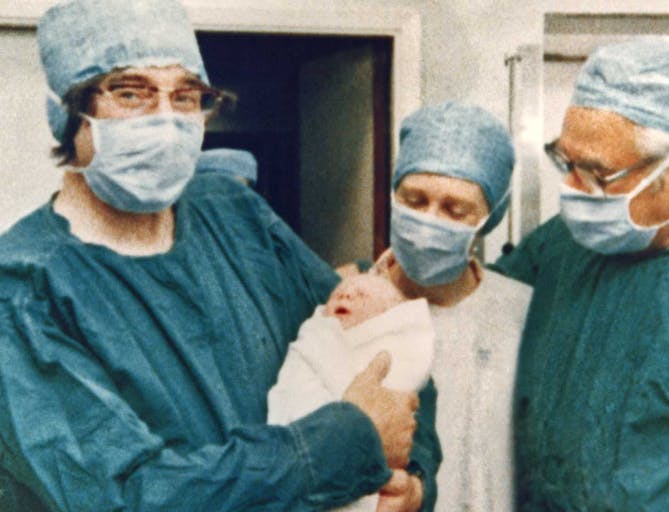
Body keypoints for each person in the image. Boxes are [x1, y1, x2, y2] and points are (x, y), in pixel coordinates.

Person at [0, 1, 438, 510]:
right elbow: (127, 495)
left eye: (186, 96)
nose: (165, 120)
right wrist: (345, 445)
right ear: (67, 112)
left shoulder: (236, 216)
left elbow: (386, 343)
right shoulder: (24, 292)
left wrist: (410, 483)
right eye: (131, 92)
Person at [492, 39, 669, 511]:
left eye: (596, 173)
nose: (572, 189)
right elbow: (477, 304)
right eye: (566, 162)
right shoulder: (563, 245)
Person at [369, 101, 532, 511]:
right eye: (414, 200)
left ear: (488, 219)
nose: (430, 221)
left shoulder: (522, 314)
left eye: (455, 210)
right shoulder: (350, 309)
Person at [268, 273, 435, 512]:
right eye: (337, 294)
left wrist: (416, 486)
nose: (345, 295)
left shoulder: (390, 351)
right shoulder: (318, 335)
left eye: (361, 295)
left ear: (385, 317)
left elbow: (406, 411)